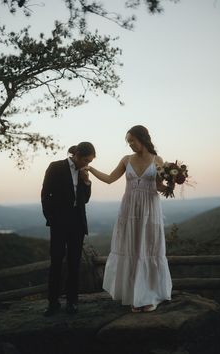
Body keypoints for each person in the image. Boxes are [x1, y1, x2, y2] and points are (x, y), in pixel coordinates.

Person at [87, 125, 172, 313]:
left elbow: (158, 186)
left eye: (132, 140)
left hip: (150, 209)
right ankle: (135, 295)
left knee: (149, 248)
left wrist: (172, 185)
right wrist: (91, 169)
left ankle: (150, 295)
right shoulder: (126, 160)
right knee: (132, 249)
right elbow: (109, 179)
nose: (130, 144)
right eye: (128, 141)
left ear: (142, 138)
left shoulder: (158, 160)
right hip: (129, 210)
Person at [41, 142, 95, 316]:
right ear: (77, 155)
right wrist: (51, 219)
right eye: (86, 160)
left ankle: (72, 302)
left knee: (74, 264)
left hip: (77, 223)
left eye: (90, 161)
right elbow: (45, 194)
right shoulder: (56, 167)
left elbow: (84, 200)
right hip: (59, 223)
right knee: (56, 262)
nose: (87, 164)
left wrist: (87, 182)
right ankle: (53, 303)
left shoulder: (83, 172)